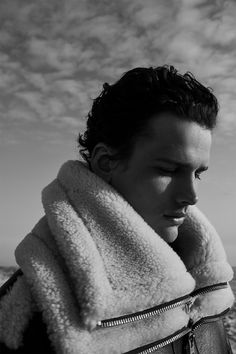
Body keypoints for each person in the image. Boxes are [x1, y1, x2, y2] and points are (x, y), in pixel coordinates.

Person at [0, 65, 234, 354]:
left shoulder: (208, 281)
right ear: (106, 163)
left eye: (197, 173)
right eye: (169, 170)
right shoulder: (27, 311)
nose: (191, 195)